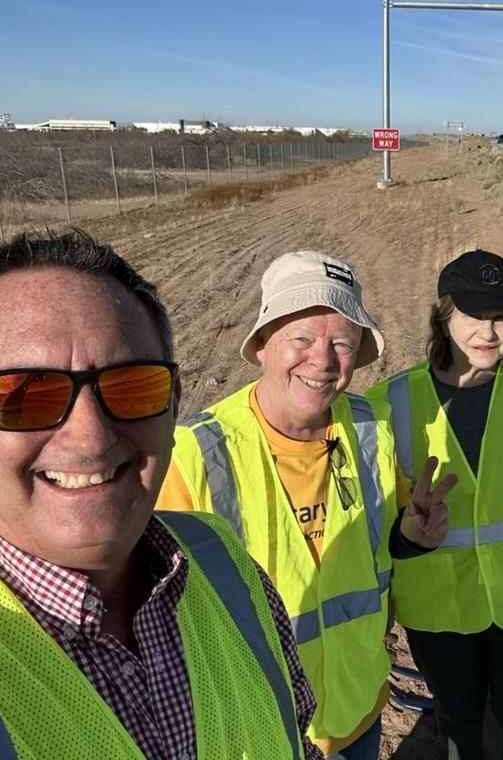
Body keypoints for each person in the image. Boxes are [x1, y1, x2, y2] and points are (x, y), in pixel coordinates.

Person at [0, 229, 322, 759]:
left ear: (173, 407)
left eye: (131, 386)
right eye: (28, 394)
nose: (90, 438)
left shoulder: (222, 562)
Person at [157, 249, 454, 759]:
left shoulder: (370, 431)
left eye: (343, 342)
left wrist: (411, 537)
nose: (323, 361)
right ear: (263, 344)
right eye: (301, 339)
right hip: (262, 732)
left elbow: (379, 552)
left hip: (359, 708)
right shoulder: (194, 457)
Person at [366, 249, 503, 760]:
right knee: (458, 725)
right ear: (443, 317)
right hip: (438, 611)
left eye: (502, 317)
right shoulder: (390, 403)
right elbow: (375, 523)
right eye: (473, 314)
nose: (488, 332)